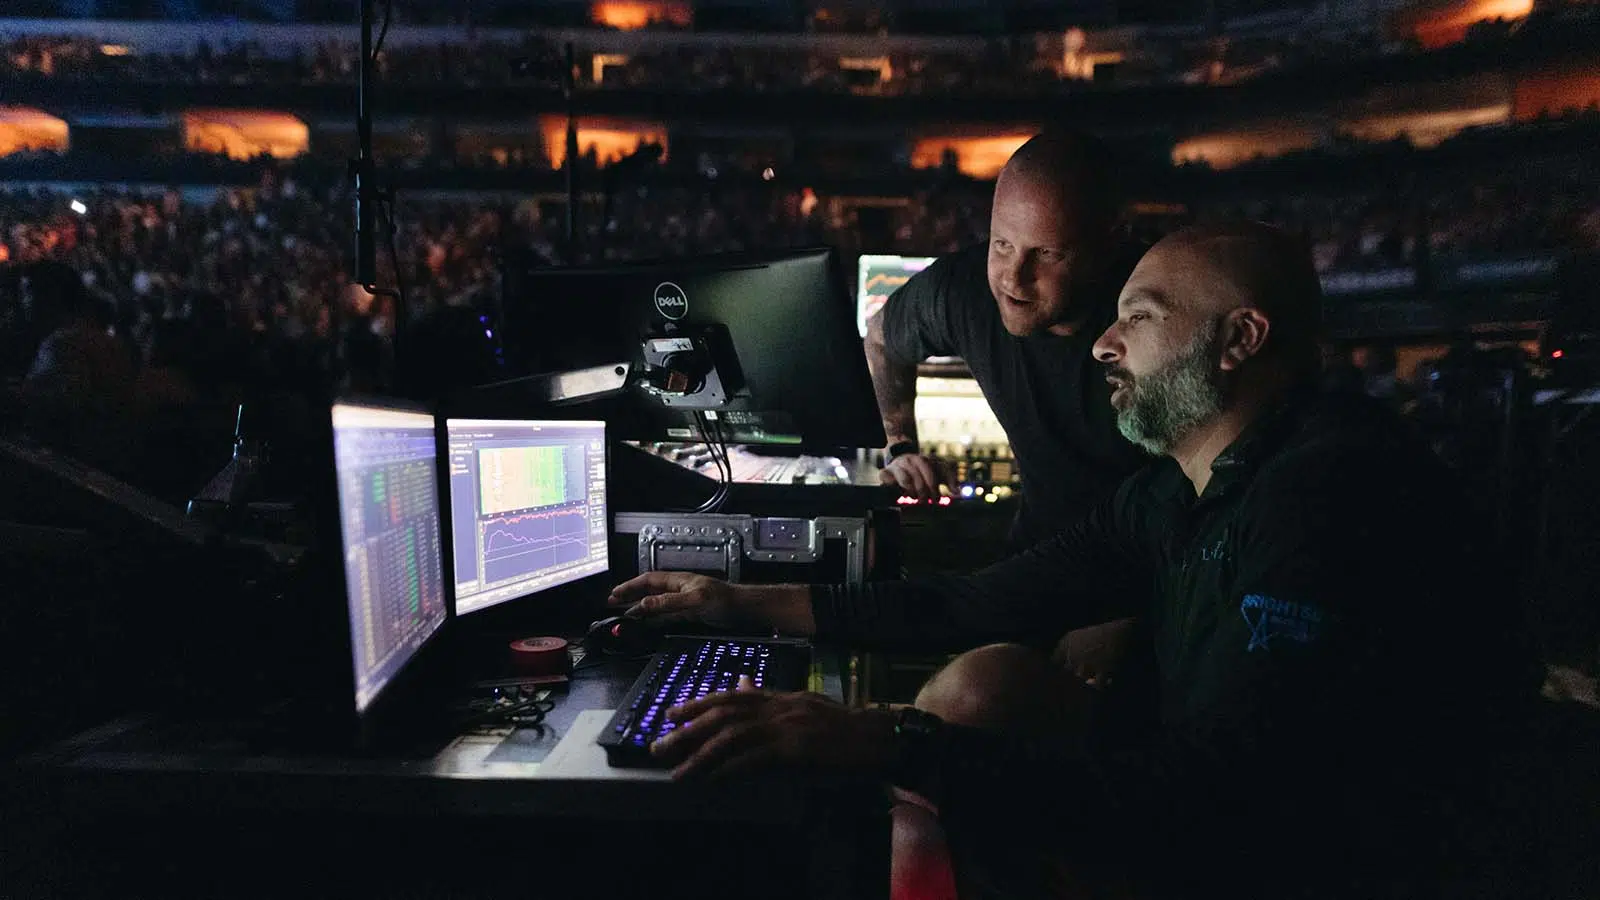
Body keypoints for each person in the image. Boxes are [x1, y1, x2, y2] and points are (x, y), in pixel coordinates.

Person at [608, 223, 1539, 898]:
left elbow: (1213, 799)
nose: (1102, 341)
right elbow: (982, 599)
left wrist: (887, 740)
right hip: (1228, 814)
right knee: (984, 684)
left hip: (1328, 859)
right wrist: (745, 605)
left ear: (1240, 341)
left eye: (1140, 315)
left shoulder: (1327, 500)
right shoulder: (1183, 484)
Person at [865, 130, 1149, 550]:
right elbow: (881, 337)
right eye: (1001, 244)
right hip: (1040, 558)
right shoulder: (964, 290)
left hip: (1160, 570)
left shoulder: (1161, 305)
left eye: (1047, 254)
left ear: (1110, 242)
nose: (1013, 278)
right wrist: (900, 445)